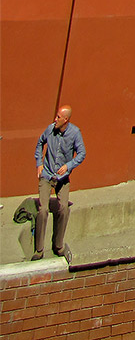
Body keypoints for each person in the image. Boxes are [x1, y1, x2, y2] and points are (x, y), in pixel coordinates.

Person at [32, 105, 86, 261]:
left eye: (58, 117)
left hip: (62, 178)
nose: (55, 120)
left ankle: (58, 245)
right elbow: (39, 143)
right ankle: (39, 249)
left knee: (63, 208)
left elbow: (82, 153)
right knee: (43, 210)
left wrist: (69, 166)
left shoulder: (75, 133)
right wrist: (39, 163)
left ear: (66, 119)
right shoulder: (50, 130)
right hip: (47, 174)